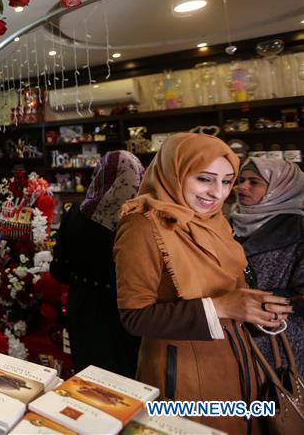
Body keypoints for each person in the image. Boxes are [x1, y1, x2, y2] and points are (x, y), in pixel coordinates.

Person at [114, 133, 293, 434]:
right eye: (204, 179)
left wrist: (256, 312)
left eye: (226, 181)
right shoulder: (142, 225)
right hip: (183, 373)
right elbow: (134, 316)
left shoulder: (214, 221)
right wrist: (222, 306)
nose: (218, 193)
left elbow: (231, 293)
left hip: (238, 367)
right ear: (176, 171)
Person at [50, 150, 145, 377]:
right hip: (124, 319)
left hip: (82, 312)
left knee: (87, 381)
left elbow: (59, 272)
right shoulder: (139, 221)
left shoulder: (74, 214)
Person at [232, 157, 304, 368]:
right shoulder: (226, 222)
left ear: (281, 187)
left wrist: (260, 301)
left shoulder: (298, 230)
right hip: (231, 332)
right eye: (241, 180)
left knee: (274, 396)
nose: (242, 187)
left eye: (254, 182)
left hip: (280, 340)